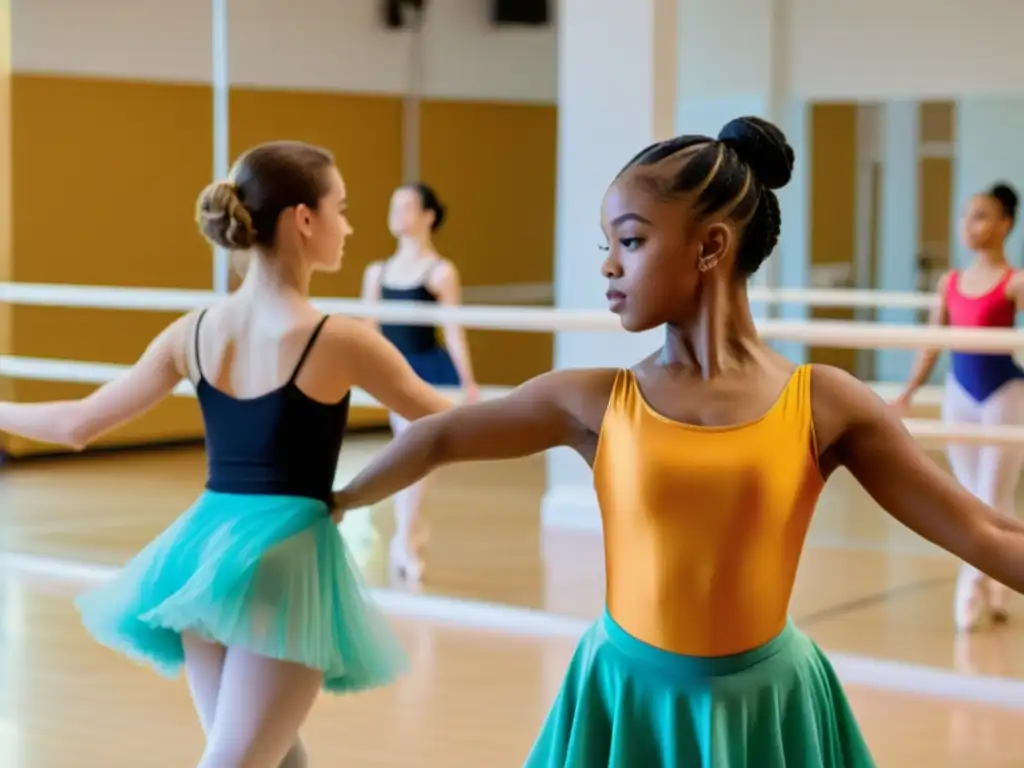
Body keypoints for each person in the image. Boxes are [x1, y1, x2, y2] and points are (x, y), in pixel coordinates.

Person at [331, 117, 1024, 766]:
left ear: (712, 246)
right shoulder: (593, 401)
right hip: (625, 698)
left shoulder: (825, 404)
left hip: (768, 709)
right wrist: (336, 499)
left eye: (629, 242)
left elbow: (983, 529)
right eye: (609, 246)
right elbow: (439, 436)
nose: (608, 267)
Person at [0, 141, 450, 768]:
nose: (348, 227)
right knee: (240, 760)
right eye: (341, 209)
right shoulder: (340, 339)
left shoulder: (193, 331)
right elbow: (448, 427)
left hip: (202, 561)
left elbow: (79, 423)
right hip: (284, 564)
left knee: (269, 754)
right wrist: (354, 494)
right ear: (303, 219)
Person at [895, 181, 1024, 632]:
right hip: (959, 396)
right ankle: (999, 587)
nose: (969, 226)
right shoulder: (949, 282)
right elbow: (932, 344)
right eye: (966, 215)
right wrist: (909, 391)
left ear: (1005, 224)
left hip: (1004, 396)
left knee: (992, 496)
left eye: (982, 216)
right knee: (973, 501)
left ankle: (969, 592)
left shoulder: (1015, 282)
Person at [360, 182, 478, 582]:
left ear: (428, 216)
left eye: (407, 206)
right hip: (395, 371)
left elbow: (452, 327)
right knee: (411, 456)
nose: (397, 213)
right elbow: (369, 329)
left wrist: (468, 380)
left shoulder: (441, 272)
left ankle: (408, 538)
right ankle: (408, 541)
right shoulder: (376, 272)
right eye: (393, 206)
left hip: (431, 372)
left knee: (422, 460)